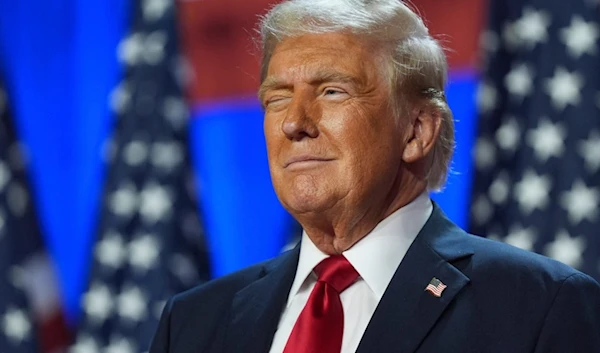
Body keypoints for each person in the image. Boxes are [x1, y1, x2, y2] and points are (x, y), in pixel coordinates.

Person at [149, 0, 600, 352]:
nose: (294, 122)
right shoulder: (193, 322)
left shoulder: (539, 307)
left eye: (331, 91)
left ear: (417, 130)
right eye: (277, 98)